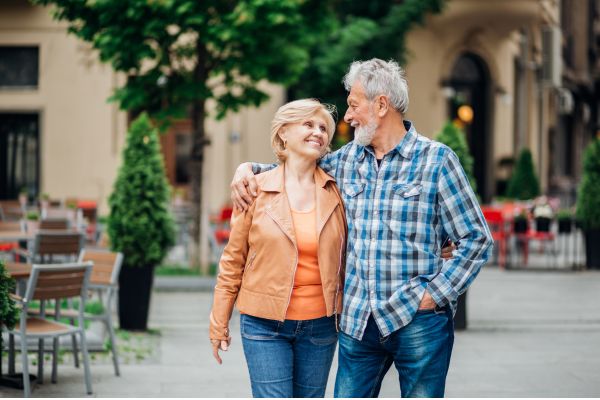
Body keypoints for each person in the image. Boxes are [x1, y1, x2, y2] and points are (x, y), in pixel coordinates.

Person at [231, 58, 494, 398]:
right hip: (358, 322)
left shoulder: (437, 160)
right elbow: (292, 168)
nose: (348, 115)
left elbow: (476, 239)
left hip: (418, 320)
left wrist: (436, 295)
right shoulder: (344, 161)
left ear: (381, 105)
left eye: (354, 105)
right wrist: (247, 169)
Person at [209, 99, 348, 398]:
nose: (318, 132)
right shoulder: (254, 189)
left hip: (321, 326)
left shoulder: (337, 191)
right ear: (283, 132)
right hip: (263, 324)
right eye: (308, 124)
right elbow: (233, 261)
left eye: (323, 128)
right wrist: (219, 321)